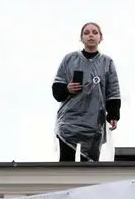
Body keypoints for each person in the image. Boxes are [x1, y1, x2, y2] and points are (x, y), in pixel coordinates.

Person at [52, 22, 121, 162]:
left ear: (101, 38)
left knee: (89, 167)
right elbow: (57, 89)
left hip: (94, 122)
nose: (91, 35)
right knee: (66, 164)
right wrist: (67, 89)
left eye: (95, 32)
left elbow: (113, 90)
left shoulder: (107, 62)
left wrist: (113, 114)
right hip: (69, 121)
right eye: (87, 32)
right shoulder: (69, 59)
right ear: (81, 38)